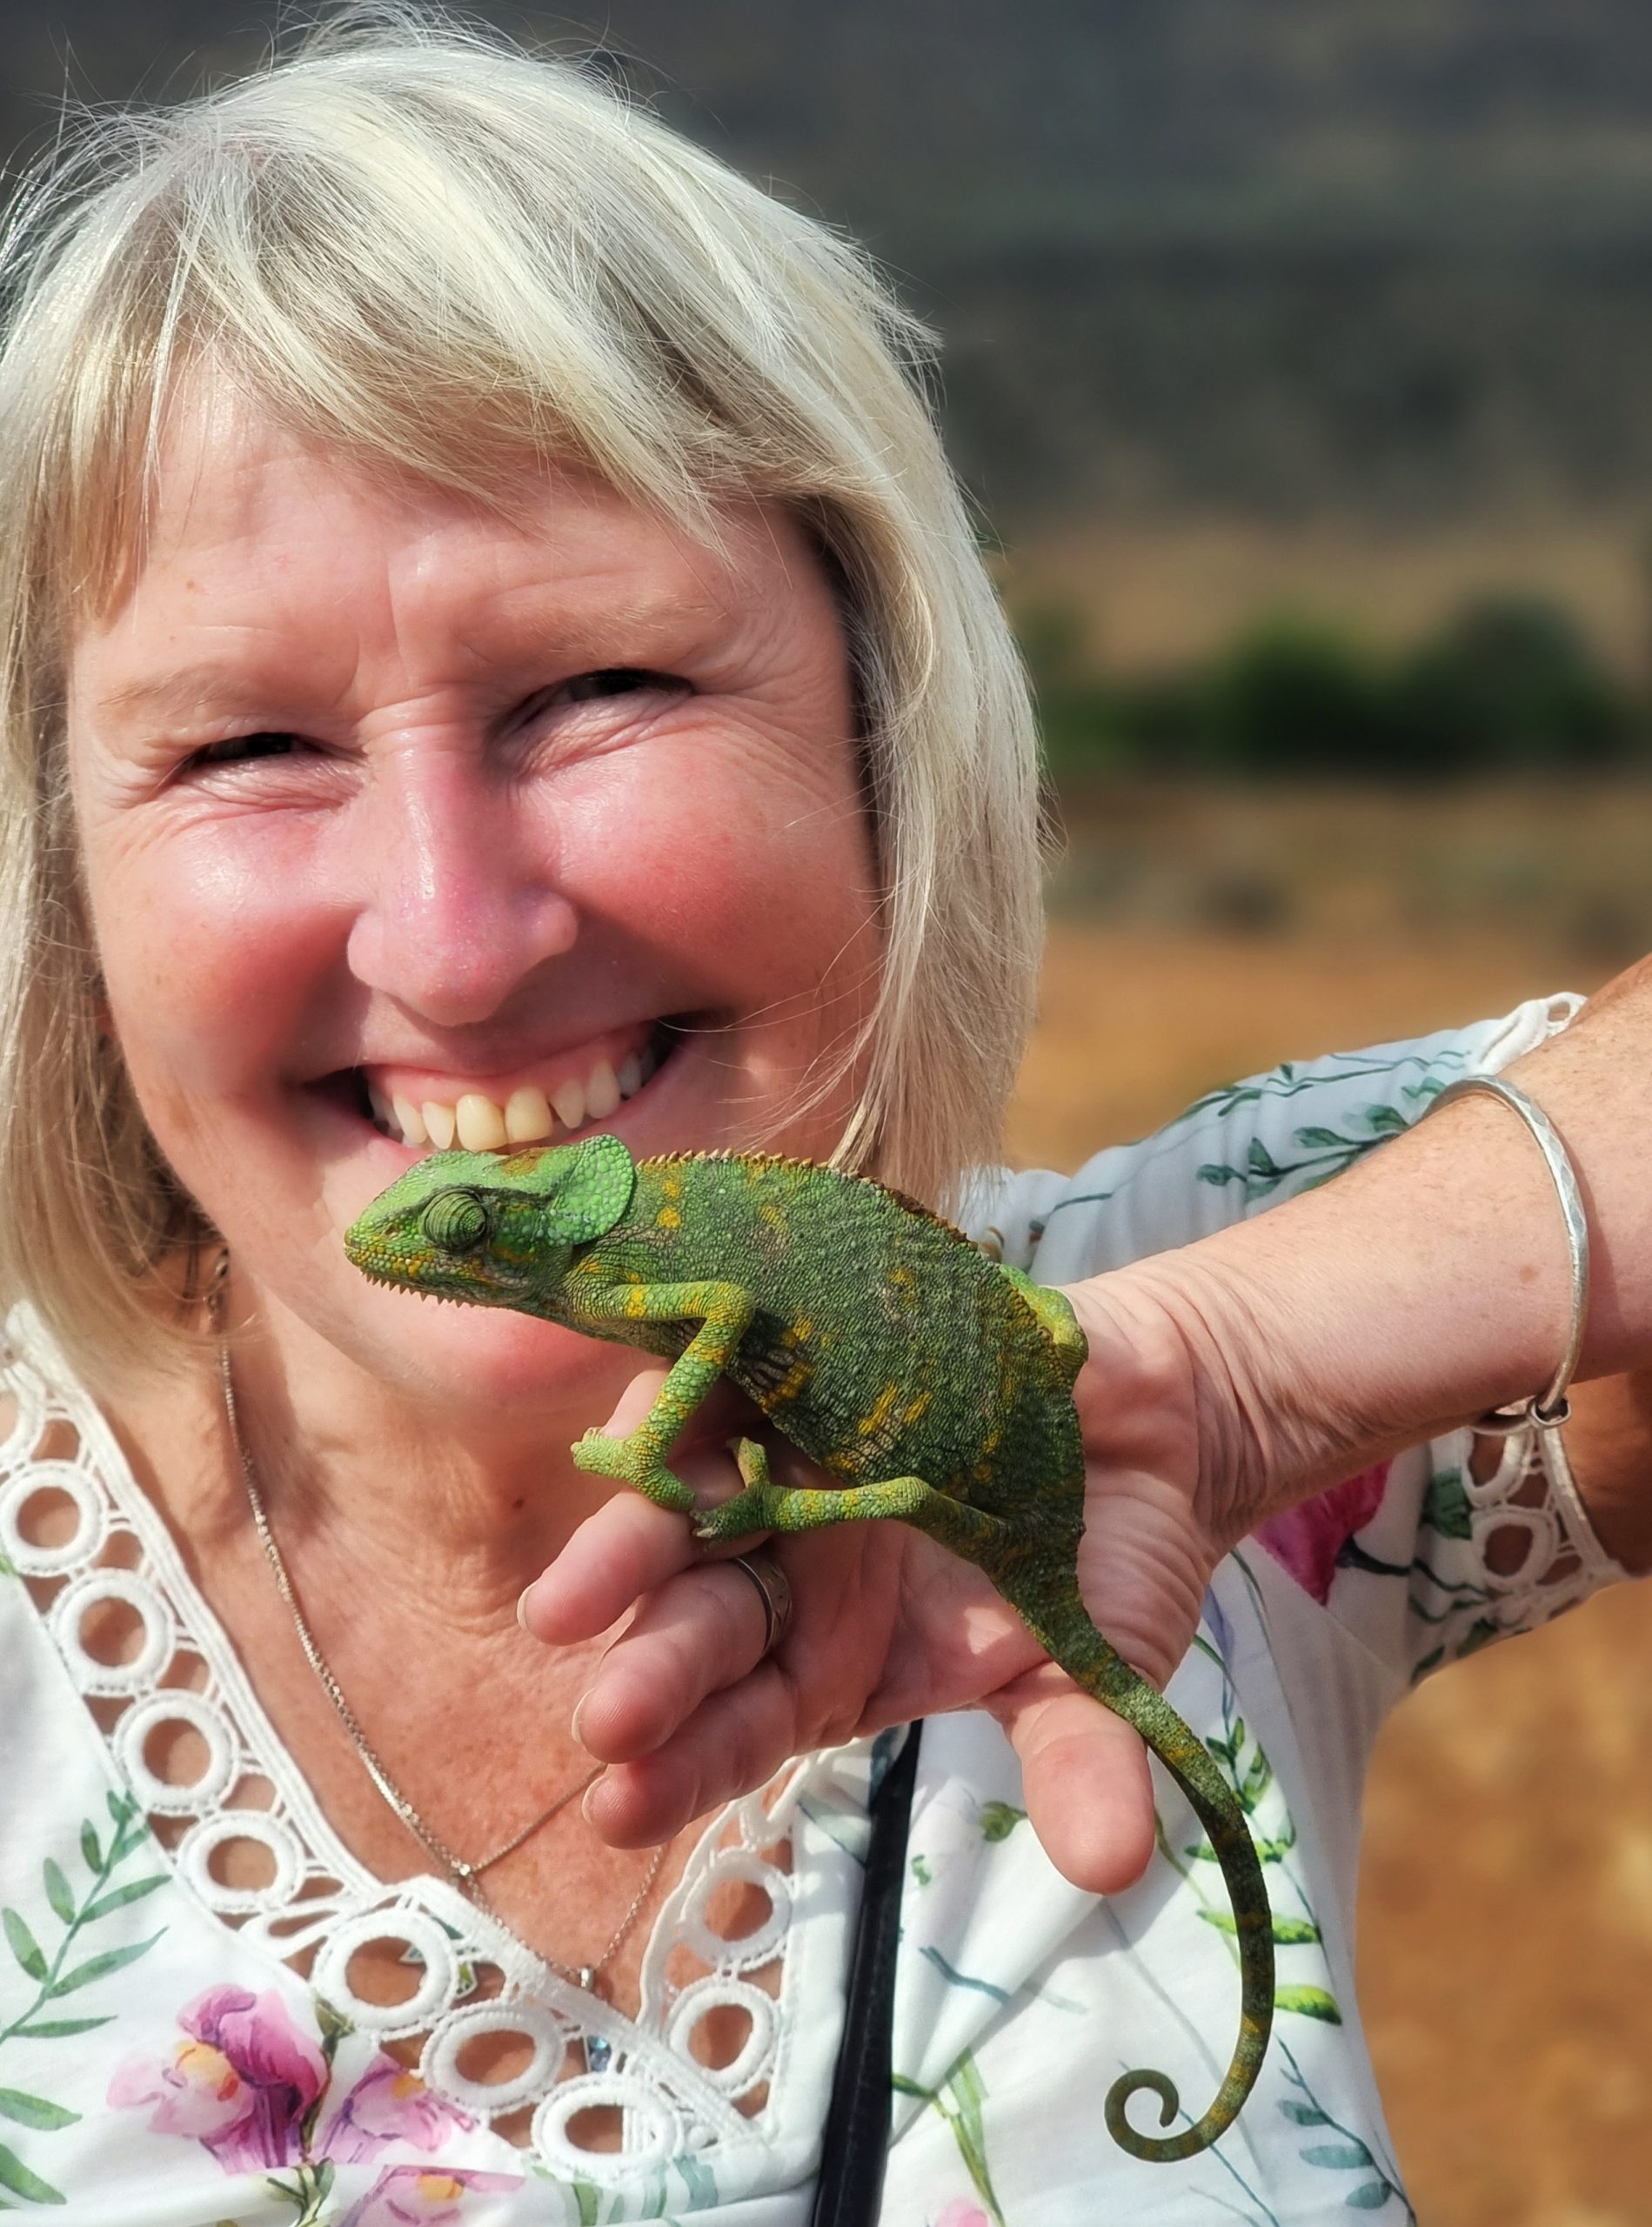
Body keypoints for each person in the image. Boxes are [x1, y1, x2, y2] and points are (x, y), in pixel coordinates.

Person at [0, 17, 1647, 2224]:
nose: (457, 939)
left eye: (598, 685)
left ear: (886, 745)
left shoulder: (1165, 1314)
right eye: (241, 744)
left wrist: (1234, 1362)